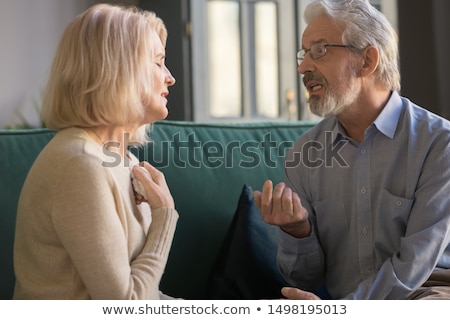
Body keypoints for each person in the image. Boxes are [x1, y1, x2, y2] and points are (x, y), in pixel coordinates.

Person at [254, 0, 450, 300]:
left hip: (430, 295)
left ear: (367, 61)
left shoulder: (440, 144)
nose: (303, 66)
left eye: (319, 50)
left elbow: (415, 264)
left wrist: (345, 311)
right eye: (304, 53)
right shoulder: (304, 154)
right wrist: (298, 231)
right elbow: (303, 279)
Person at [13, 4, 178, 299]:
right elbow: (125, 305)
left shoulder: (122, 158)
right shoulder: (80, 166)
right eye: (157, 62)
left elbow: (146, 293)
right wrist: (164, 217)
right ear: (120, 71)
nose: (169, 77)